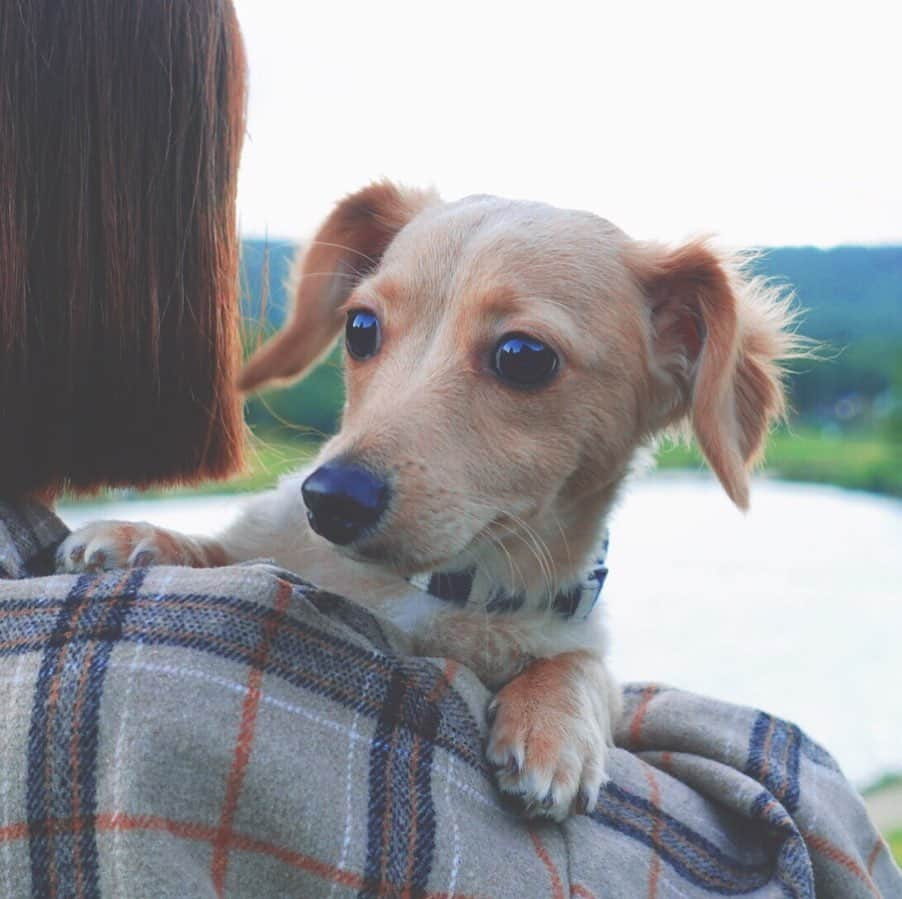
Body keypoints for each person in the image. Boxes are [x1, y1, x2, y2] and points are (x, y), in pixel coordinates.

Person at [0, 1, 898, 896]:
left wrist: (574, 685)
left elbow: (573, 649)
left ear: (680, 362)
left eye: (519, 358)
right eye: (366, 331)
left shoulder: (557, 640)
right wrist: (196, 555)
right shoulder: (182, 637)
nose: (356, 457)